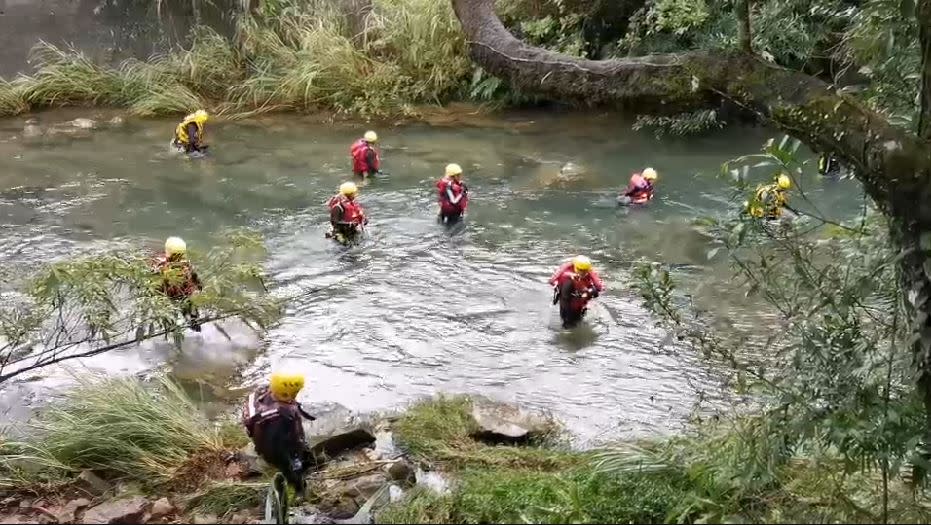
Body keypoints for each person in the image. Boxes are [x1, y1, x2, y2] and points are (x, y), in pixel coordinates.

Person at [241, 372, 317, 493]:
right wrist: (292, 469)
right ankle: (299, 491)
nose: (295, 396)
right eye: (293, 393)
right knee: (292, 467)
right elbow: (276, 449)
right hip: (274, 447)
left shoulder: (266, 392)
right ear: (285, 393)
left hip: (266, 435)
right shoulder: (279, 418)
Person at [153, 236, 203, 331]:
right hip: (182, 294)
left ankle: (176, 327)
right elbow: (197, 281)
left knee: (173, 318)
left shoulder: (160, 264)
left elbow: (153, 283)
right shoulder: (186, 264)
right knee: (190, 308)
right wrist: (199, 288)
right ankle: (193, 322)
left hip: (171, 296)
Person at [548, 255, 606, 329]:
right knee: (566, 321)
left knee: (578, 319)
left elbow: (600, 286)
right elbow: (552, 280)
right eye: (580, 270)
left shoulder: (590, 271)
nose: (583, 272)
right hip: (566, 296)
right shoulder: (566, 268)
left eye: (585, 270)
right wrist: (570, 276)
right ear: (575, 266)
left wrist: (589, 292)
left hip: (582, 295)